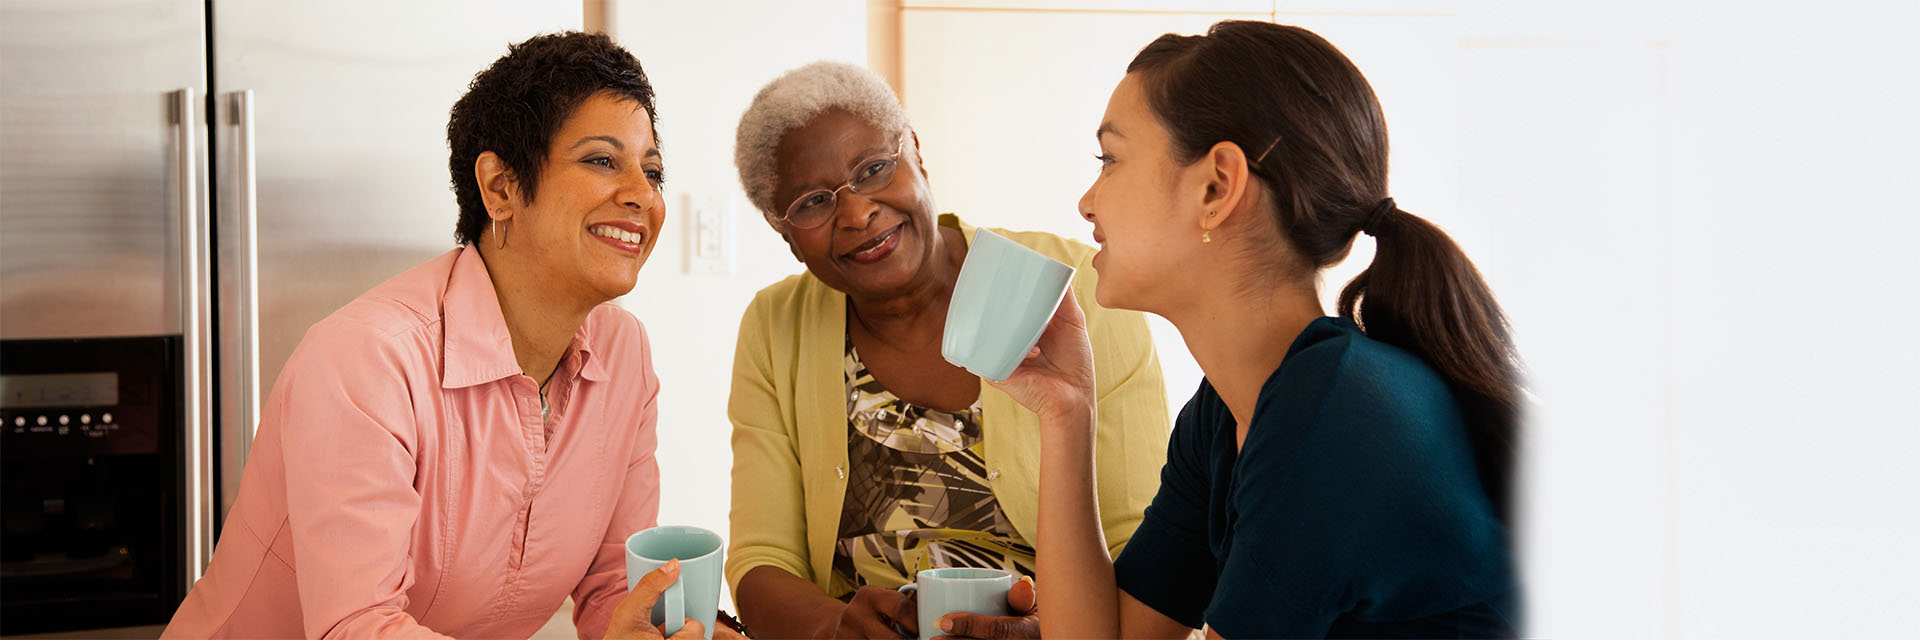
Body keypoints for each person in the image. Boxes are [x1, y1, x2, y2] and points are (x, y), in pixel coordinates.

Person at [162, 32, 734, 640]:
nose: (643, 196)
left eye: (653, 171)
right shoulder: (367, 360)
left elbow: (613, 587)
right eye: (601, 160)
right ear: (501, 188)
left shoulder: (624, 355)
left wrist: (675, 631)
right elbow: (359, 626)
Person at [991, 21, 1524, 638]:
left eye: (1110, 160)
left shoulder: (1327, 413)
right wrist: (1066, 411)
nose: (1087, 201)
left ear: (1216, 186)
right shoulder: (1227, 411)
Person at [723, 61, 1172, 640]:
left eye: (874, 169)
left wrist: (1054, 628)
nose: (857, 214)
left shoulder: (1075, 290)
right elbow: (762, 560)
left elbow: (1148, 546)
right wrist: (838, 626)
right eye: (813, 202)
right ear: (781, 229)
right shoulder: (776, 324)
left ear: (914, 151)